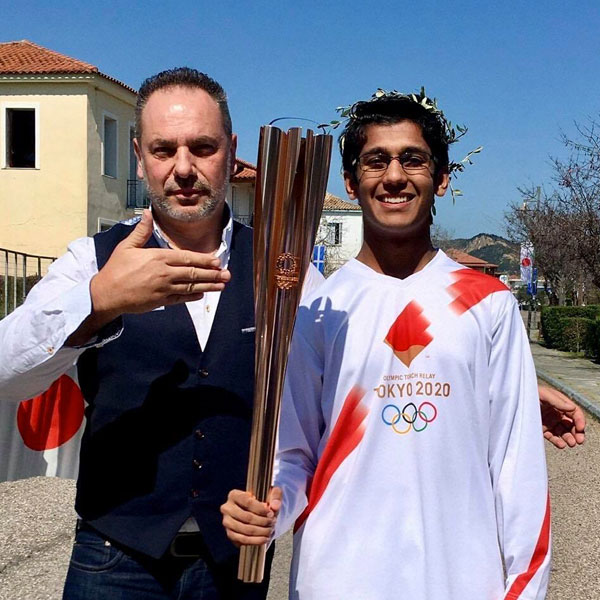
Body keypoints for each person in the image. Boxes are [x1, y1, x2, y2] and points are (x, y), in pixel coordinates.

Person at [0, 67, 326, 599]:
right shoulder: (92, 260)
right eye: (162, 149)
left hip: (233, 564)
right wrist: (99, 301)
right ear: (138, 155)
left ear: (231, 149)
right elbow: (6, 372)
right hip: (114, 559)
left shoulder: (283, 270)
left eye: (202, 147)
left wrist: (278, 505)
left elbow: (311, 421)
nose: (183, 168)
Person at [222, 90, 552, 599]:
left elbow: (517, 467)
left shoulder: (488, 303)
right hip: (337, 580)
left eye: (413, 160)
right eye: (376, 161)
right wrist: (271, 509)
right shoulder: (317, 309)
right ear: (351, 182)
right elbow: (294, 457)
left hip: (461, 580)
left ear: (441, 178)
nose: (394, 176)